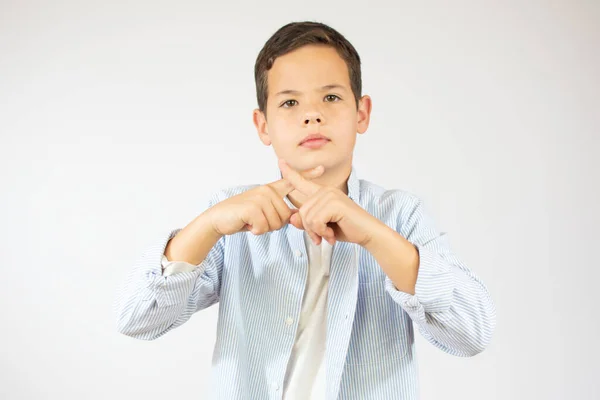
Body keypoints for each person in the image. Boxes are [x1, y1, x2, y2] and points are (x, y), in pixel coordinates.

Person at [114, 21, 496, 400]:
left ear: (362, 113)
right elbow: (137, 319)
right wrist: (207, 226)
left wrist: (373, 235)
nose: (312, 115)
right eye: (290, 102)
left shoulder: (400, 215)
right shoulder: (229, 217)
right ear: (262, 125)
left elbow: (472, 333)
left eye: (330, 97)